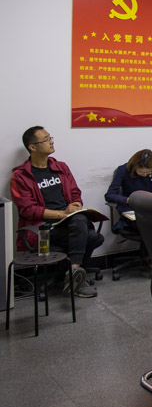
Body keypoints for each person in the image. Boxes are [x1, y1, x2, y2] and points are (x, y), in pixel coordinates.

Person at [10, 126, 104, 298]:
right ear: (33, 147)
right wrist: (62, 214)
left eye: (50, 137)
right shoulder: (20, 176)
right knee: (90, 235)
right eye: (46, 139)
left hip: (69, 224)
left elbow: (75, 192)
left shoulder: (60, 167)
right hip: (43, 230)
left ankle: (72, 274)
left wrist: (76, 205)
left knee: (81, 221)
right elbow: (28, 209)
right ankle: (76, 278)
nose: (51, 142)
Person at [106, 149, 152, 231]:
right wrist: (128, 200)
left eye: (148, 173)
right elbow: (109, 195)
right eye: (142, 172)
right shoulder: (123, 170)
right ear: (135, 166)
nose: (145, 175)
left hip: (150, 206)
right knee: (150, 226)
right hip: (132, 206)